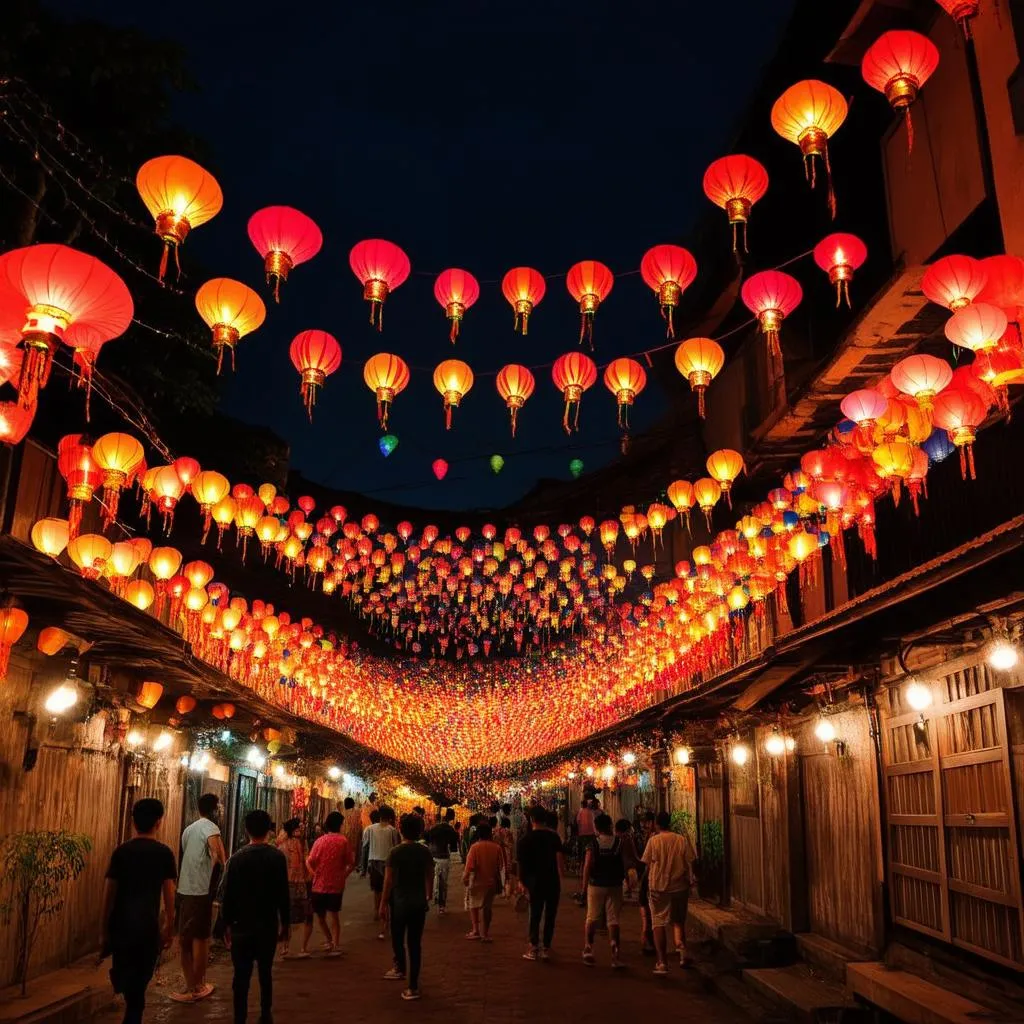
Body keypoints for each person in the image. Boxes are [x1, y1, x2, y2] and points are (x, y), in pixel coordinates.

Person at [101, 798, 176, 1024]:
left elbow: (109, 894)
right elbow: (169, 893)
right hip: (147, 926)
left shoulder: (121, 852)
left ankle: (131, 1007)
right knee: (140, 982)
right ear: (159, 822)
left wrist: (103, 929)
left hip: (122, 925)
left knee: (127, 978)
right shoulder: (164, 853)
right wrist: (169, 925)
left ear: (133, 822)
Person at [220, 810, 289, 1024]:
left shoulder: (237, 859)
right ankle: (265, 1014)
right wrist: (285, 923)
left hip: (241, 925)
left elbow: (227, 895)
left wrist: (226, 924)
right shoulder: (277, 857)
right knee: (265, 972)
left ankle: (239, 1017)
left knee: (241, 975)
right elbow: (282, 894)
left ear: (246, 830)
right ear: (269, 830)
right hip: (267, 925)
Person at [174, 792, 225, 1002]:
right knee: (201, 939)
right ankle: (198, 987)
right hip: (201, 891)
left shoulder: (188, 830)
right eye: (219, 807)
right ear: (214, 810)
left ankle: (190, 985)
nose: (220, 811)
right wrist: (215, 871)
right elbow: (218, 856)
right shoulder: (212, 828)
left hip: (184, 888)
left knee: (185, 939)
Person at [380, 813, 434, 1001]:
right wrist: (428, 895)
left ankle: (400, 967)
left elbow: (388, 881)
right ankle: (413, 986)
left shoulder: (395, 852)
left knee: (397, 938)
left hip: (400, 903)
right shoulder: (424, 851)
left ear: (401, 830)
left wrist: (382, 904)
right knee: (415, 944)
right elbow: (430, 874)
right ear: (420, 830)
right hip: (419, 903)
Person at [641, 811, 697, 975]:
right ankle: (682, 953)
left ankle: (662, 962)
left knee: (658, 923)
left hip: (658, 887)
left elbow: (647, 863)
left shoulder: (654, 841)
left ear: (657, 824)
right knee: (678, 921)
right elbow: (690, 860)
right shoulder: (681, 840)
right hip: (679, 887)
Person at [516, 805, 564, 960]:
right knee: (550, 915)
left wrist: (522, 882)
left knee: (535, 914)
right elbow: (559, 861)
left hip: (534, 882)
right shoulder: (554, 837)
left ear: (531, 820)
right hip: (552, 880)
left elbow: (522, 864)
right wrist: (560, 877)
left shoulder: (525, 839)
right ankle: (546, 947)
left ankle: (534, 946)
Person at [305, 811, 354, 955]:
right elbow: (351, 864)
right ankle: (335, 944)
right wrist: (343, 876)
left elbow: (309, 861)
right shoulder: (343, 841)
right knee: (334, 916)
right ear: (340, 825)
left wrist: (314, 874)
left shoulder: (319, 841)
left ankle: (329, 940)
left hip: (318, 886)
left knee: (320, 916)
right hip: (335, 886)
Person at [581, 814, 625, 969]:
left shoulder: (593, 844)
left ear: (596, 827)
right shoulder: (619, 842)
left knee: (591, 917)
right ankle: (615, 953)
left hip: (596, 884)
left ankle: (588, 948)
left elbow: (587, 866)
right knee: (613, 920)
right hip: (615, 884)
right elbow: (624, 863)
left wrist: (583, 887)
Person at [462, 823, 504, 941]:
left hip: (476, 882)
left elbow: (469, 867)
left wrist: (465, 878)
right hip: (491, 882)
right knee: (487, 908)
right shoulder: (496, 848)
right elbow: (500, 866)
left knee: (473, 906)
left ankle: (476, 930)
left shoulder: (475, 847)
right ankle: (485, 933)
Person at [277, 818, 312, 958]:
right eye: (299, 828)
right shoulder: (284, 845)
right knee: (289, 917)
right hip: (291, 883)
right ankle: (287, 946)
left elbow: (307, 860)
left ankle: (297, 947)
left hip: (299, 883)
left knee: (299, 916)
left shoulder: (301, 843)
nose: (301, 830)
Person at [363, 805, 400, 939]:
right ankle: (385, 921)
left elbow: (364, 847)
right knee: (387, 892)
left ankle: (377, 911)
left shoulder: (370, 829)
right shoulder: (392, 830)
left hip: (374, 862)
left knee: (377, 890)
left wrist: (364, 865)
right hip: (388, 863)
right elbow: (396, 848)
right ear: (390, 817)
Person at [425, 809, 459, 914]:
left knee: (431, 879)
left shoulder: (434, 828)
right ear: (452, 818)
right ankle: (441, 906)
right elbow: (454, 848)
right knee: (443, 883)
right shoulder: (451, 830)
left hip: (432, 857)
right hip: (444, 857)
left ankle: (429, 899)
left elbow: (427, 840)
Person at [494, 816, 515, 897]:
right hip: (507, 853)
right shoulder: (509, 832)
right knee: (507, 872)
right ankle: (507, 891)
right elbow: (511, 845)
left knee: (501, 871)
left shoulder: (497, 831)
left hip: (499, 853)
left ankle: (502, 890)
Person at [340, 797, 362, 863]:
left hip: (344, 835)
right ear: (353, 804)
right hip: (354, 835)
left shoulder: (343, 812)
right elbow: (359, 823)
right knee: (354, 850)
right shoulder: (357, 812)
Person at [359, 809, 380, 876]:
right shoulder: (389, 829)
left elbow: (364, 844)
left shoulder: (368, 829)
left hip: (371, 857)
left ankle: (363, 870)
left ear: (371, 819)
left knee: (364, 848)